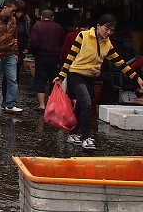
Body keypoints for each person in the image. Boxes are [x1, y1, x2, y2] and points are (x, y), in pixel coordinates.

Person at [55, 14, 143, 150]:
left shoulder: (107, 44)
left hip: (90, 77)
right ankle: (86, 137)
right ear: (98, 26)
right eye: (106, 28)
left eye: (111, 30)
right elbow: (70, 57)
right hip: (75, 74)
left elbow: (120, 63)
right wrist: (61, 76)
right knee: (86, 103)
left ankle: (72, 134)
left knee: (81, 106)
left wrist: (137, 78)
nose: (108, 32)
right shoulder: (83, 36)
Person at [29, 9, 65, 111]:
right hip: (55, 58)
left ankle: (42, 105)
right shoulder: (59, 27)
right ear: (53, 18)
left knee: (40, 80)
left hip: (41, 57)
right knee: (54, 80)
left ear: (41, 17)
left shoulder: (37, 26)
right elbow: (63, 41)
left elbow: (34, 42)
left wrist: (35, 53)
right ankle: (51, 104)